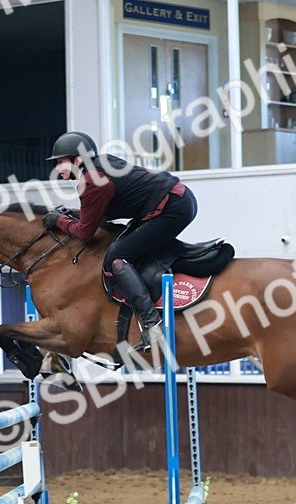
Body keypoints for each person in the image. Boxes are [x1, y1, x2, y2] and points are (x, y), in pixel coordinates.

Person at [43, 131, 198, 348]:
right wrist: (73, 215)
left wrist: (59, 222)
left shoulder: (91, 181)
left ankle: (154, 326)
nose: (58, 169)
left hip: (172, 208)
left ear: (77, 160)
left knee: (117, 258)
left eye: (61, 162)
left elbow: (85, 233)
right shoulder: (101, 164)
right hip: (175, 201)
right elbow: (101, 213)